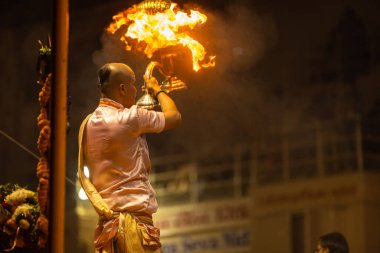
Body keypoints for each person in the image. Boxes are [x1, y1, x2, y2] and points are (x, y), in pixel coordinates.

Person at [78, 62, 182, 253]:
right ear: (123, 89)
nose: (138, 90)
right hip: (136, 228)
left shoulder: (87, 124)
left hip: (107, 229)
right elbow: (174, 117)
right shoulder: (131, 118)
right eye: (134, 84)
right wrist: (157, 90)